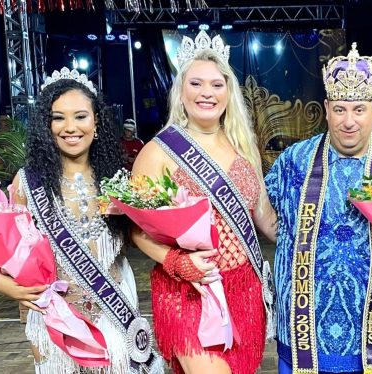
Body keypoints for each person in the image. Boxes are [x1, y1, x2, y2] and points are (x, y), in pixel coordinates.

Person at [0, 67, 163, 373]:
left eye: (80, 116)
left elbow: (142, 238)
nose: (70, 127)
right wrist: (5, 284)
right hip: (57, 323)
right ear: (47, 125)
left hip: (115, 316)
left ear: (96, 123)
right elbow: (7, 262)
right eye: (58, 117)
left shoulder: (119, 181)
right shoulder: (26, 184)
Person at [131, 30, 276, 374]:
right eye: (196, 84)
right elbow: (134, 230)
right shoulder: (159, 151)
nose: (206, 93)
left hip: (244, 289)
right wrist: (177, 262)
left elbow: (266, 220)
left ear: (229, 92)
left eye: (216, 84)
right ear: (181, 91)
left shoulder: (244, 147)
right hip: (188, 291)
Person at [265, 43, 372, 373]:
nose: (349, 121)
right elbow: (268, 216)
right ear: (327, 108)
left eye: (358, 109)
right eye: (341, 109)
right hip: (305, 324)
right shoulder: (294, 161)